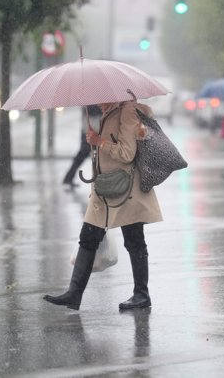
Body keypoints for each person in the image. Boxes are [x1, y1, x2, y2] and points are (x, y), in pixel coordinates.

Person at [44, 100, 163, 311]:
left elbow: (127, 153)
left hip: (127, 189)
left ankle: (142, 295)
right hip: (106, 189)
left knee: (134, 240)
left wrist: (100, 142)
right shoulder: (108, 112)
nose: (97, 102)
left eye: (100, 98)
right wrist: (95, 143)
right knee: (88, 238)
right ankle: (74, 293)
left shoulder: (126, 111)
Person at [62, 105, 102, 187]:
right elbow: (93, 112)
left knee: (84, 156)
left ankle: (68, 178)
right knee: (82, 155)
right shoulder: (91, 103)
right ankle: (68, 178)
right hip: (89, 132)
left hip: (92, 131)